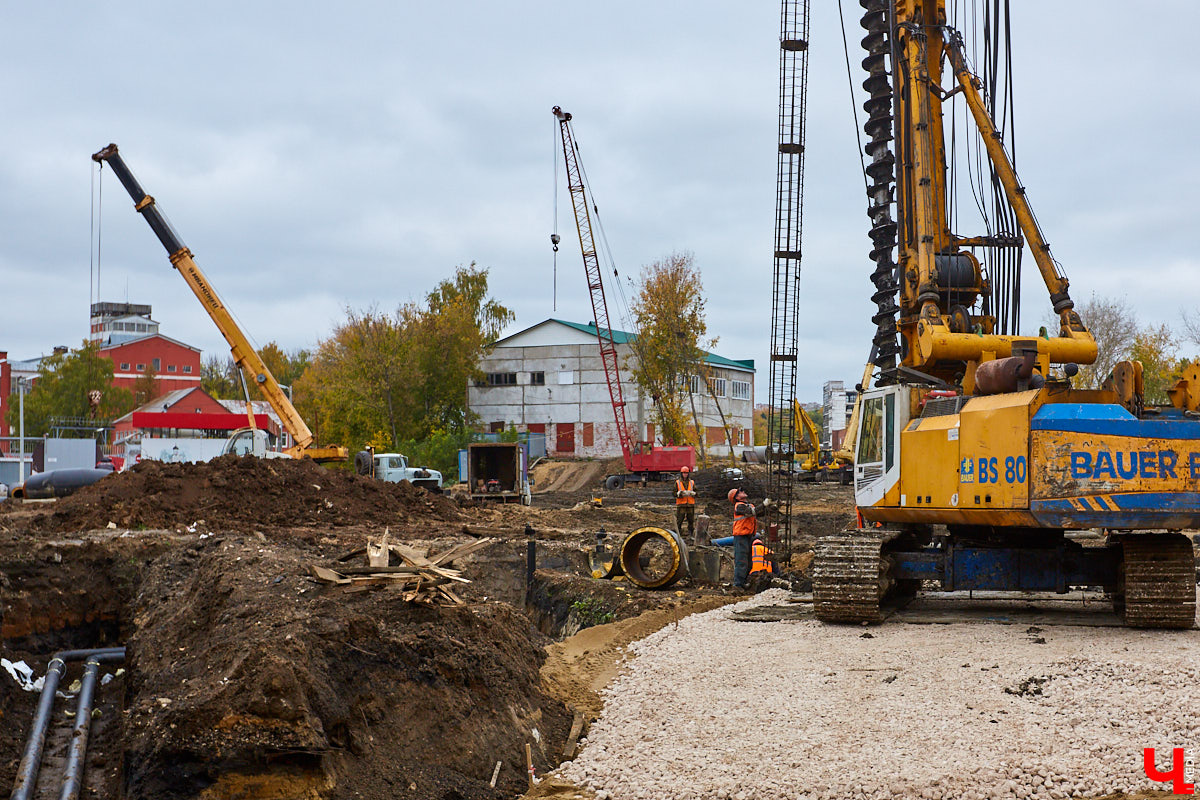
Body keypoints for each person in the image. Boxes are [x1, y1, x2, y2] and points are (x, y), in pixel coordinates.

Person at [728, 488, 757, 588]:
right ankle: (738, 585)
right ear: (736, 497)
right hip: (740, 537)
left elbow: (757, 512)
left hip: (748, 536)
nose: (743, 492)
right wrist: (764, 505)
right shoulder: (739, 506)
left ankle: (744, 582)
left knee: (748, 562)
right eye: (740, 492)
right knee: (741, 561)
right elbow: (751, 512)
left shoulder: (748, 505)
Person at [675, 466, 696, 539]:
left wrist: (694, 493)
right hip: (681, 505)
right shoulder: (677, 482)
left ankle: (691, 534)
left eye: (686, 473)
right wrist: (678, 494)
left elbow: (697, 492)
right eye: (684, 473)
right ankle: (678, 534)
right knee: (679, 520)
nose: (685, 474)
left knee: (691, 520)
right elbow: (673, 493)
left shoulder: (692, 482)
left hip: (690, 505)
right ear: (681, 473)